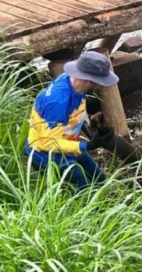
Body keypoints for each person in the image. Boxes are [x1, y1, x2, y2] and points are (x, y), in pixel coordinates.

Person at [26, 52, 119, 188]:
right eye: (101, 82)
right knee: (87, 193)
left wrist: (94, 132)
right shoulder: (57, 102)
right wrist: (88, 146)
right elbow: (49, 144)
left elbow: (73, 114)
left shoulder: (74, 83)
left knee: (101, 181)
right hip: (48, 156)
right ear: (89, 80)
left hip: (68, 144)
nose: (103, 86)